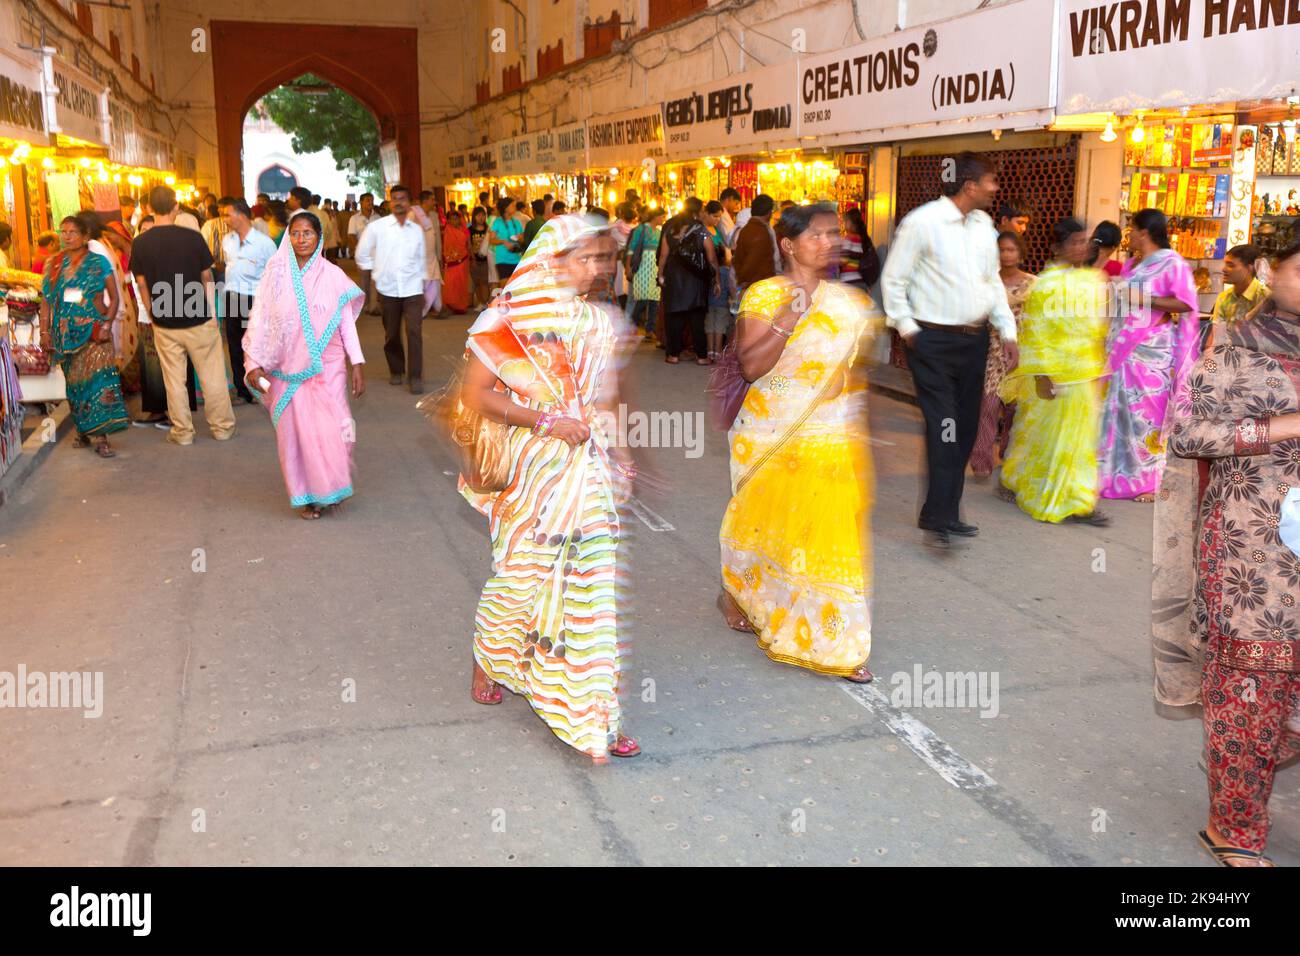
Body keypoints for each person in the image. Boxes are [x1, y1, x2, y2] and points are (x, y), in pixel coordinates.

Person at [458, 214, 640, 763]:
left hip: (590, 463)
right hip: (533, 463)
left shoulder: (603, 322)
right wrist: (545, 423)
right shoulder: (510, 318)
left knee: (591, 583)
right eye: (584, 258)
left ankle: (594, 715)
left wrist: (622, 449)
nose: (596, 269)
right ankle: (488, 657)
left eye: (601, 258)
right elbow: (475, 395)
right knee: (523, 573)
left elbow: (604, 399)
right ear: (552, 259)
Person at [1152, 241, 1300, 867]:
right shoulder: (1235, 345)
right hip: (1252, 549)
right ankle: (1232, 830)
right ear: (1273, 274)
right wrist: (1284, 427)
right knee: (1251, 682)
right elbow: (1186, 432)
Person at [717, 202, 876, 683]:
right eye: (817, 234)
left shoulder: (851, 303)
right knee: (769, 525)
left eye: (834, 234)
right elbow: (752, 366)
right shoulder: (764, 296)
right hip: (770, 432)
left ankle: (835, 639)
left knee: (826, 535)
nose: (829, 242)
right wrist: (792, 311)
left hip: (829, 437)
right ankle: (743, 595)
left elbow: (851, 378)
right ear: (788, 244)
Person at [881, 151, 1018, 550]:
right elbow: (894, 280)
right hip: (932, 342)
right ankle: (942, 516)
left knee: (967, 429)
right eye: (991, 181)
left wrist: (1007, 332)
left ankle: (938, 511)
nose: (996, 188)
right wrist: (908, 330)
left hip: (974, 341)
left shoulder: (983, 225)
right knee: (945, 429)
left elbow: (991, 282)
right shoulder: (922, 223)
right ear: (970, 185)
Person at [243, 212, 366, 519]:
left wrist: (358, 362)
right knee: (297, 432)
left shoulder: (332, 274)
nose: (301, 240)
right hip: (288, 366)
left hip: (330, 363)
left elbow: (346, 324)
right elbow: (262, 320)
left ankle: (332, 483)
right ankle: (306, 496)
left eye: (307, 233)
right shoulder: (276, 274)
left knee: (339, 426)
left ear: (319, 236)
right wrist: (255, 362)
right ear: (288, 236)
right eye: (296, 233)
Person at [997, 218, 1110, 524]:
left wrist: (1100, 368)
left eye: (1084, 241)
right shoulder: (1045, 285)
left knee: (1079, 439)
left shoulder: (1094, 281)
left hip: (1084, 373)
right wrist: (1042, 376)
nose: (1081, 247)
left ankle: (1077, 497)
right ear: (1057, 247)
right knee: (1049, 439)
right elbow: (1035, 334)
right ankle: (1050, 495)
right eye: (1073, 242)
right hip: (1055, 375)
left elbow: (1098, 329)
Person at [1097, 208, 1198, 502]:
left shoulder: (1173, 263)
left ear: (1144, 232)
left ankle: (1149, 482)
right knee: (1119, 413)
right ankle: (1116, 476)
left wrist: (1144, 298)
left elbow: (1185, 305)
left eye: (1131, 229)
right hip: (1125, 351)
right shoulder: (1133, 265)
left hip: (1152, 350)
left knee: (1148, 417)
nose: (1128, 235)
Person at [130, 185, 237, 446]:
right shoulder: (192, 238)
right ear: (176, 207)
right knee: (212, 376)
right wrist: (211, 311)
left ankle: (183, 432)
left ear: (149, 209)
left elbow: (142, 284)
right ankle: (222, 428)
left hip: (164, 318)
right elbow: (206, 277)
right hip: (198, 316)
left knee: (174, 379)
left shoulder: (141, 242)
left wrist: (153, 313)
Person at [39, 213, 129, 456]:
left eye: (73, 232)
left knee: (99, 382)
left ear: (85, 236)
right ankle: (83, 430)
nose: (67, 237)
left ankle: (101, 437)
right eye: (63, 232)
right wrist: (45, 332)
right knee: (75, 386)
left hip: (94, 334)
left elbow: (114, 297)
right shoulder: (53, 264)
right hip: (65, 338)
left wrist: (107, 325)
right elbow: (46, 301)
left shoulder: (98, 262)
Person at [970, 231, 1035, 479]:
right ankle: (981, 462)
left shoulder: (1033, 284)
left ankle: (1008, 457)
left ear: (1020, 252)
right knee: (987, 407)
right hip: (992, 354)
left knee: (1014, 412)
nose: (1006, 255)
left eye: (1011, 249)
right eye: (1002, 250)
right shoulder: (987, 283)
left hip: (1022, 355)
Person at [355, 184, 427, 394]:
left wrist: (421, 282)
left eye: (402, 198)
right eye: (394, 198)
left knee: (414, 331)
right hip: (387, 290)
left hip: (412, 289)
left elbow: (421, 258)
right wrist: (376, 273)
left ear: (409, 202)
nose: (398, 202)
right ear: (389, 202)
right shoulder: (378, 228)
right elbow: (361, 254)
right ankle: (396, 370)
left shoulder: (416, 231)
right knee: (392, 333)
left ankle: (415, 376)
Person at [220, 197, 277, 405]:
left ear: (241, 215)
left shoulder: (264, 244)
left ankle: (262, 387)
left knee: (256, 345)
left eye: (227, 214)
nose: (224, 219)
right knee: (235, 345)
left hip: (254, 300)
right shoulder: (228, 241)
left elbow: (275, 276)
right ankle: (242, 390)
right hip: (232, 298)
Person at [658, 196, 718, 365]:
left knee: (674, 318)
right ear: (698, 212)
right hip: (696, 279)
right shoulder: (701, 230)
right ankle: (701, 356)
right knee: (697, 319)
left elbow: (663, 255)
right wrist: (717, 279)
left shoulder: (672, 229)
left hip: (674, 278)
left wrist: (660, 274)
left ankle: (673, 355)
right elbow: (712, 258)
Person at [1206, 244, 1270, 350]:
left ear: (1249, 268)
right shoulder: (1223, 297)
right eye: (1225, 264)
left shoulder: (1265, 297)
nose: (1224, 269)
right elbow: (1215, 336)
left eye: (1231, 265)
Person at [626, 206, 665, 341]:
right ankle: (632, 326)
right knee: (642, 299)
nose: (663, 219)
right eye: (662, 216)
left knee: (654, 300)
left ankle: (650, 330)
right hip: (642, 267)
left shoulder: (660, 232)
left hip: (654, 267)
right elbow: (631, 249)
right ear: (656, 216)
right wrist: (628, 267)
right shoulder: (641, 229)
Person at [703, 199, 735, 361]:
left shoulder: (716, 231)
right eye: (715, 216)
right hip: (720, 300)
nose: (717, 220)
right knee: (719, 324)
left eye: (719, 217)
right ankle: (716, 352)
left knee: (710, 324)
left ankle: (710, 352)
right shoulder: (703, 231)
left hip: (710, 299)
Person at [733, 194, 778, 298]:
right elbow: (752, 262)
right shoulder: (761, 233)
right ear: (769, 213)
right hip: (759, 287)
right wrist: (744, 280)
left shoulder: (746, 230)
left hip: (751, 286)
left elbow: (737, 259)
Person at [349, 193, 382, 313]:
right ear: (361, 202)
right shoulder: (354, 219)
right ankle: (364, 305)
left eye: (372, 200)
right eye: (367, 200)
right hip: (362, 255)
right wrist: (356, 250)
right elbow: (351, 236)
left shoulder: (377, 217)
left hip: (376, 254)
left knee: (375, 280)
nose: (370, 203)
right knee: (364, 281)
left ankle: (373, 306)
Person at [412, 193, 443, 318]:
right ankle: (421, 311)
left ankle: (438, 308)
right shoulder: (413, 214)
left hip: (432, 256)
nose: (434, 202)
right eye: (432, 200)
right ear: (424, 201)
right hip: (419, 257)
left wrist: (439, 255)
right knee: (423, 284)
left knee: (435, 281)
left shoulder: (434, 216)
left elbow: (436, 237)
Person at [839, 206, 881, 291]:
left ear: (850, 222)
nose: (843, 224)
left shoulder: (849, 238)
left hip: (849, 282)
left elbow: (843, 261)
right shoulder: (860, 238)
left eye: (845, 222)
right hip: (860, 282)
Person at [488, 196, 524, 284]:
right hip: (502, 260)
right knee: (504, 288)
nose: (515, 207)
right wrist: (503, 241)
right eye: (513, 205)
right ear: (506, 208)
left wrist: (520, 238)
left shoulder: (517, 222)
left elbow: (522, 240)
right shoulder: (497, 222)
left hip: (516, 259)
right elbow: (491, 240)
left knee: (515, 288)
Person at [467, 206, 491, 309]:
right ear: (474, 217)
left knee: (485, 282)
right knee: (477, 282)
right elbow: (469, 245)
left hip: (486, 260)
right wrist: (472, 258)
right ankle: (480, 301)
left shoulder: (488, 229)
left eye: (483, 215)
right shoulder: (470, 230)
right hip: (475, 259)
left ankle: (485, 302)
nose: (481, 218)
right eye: (479, 215)